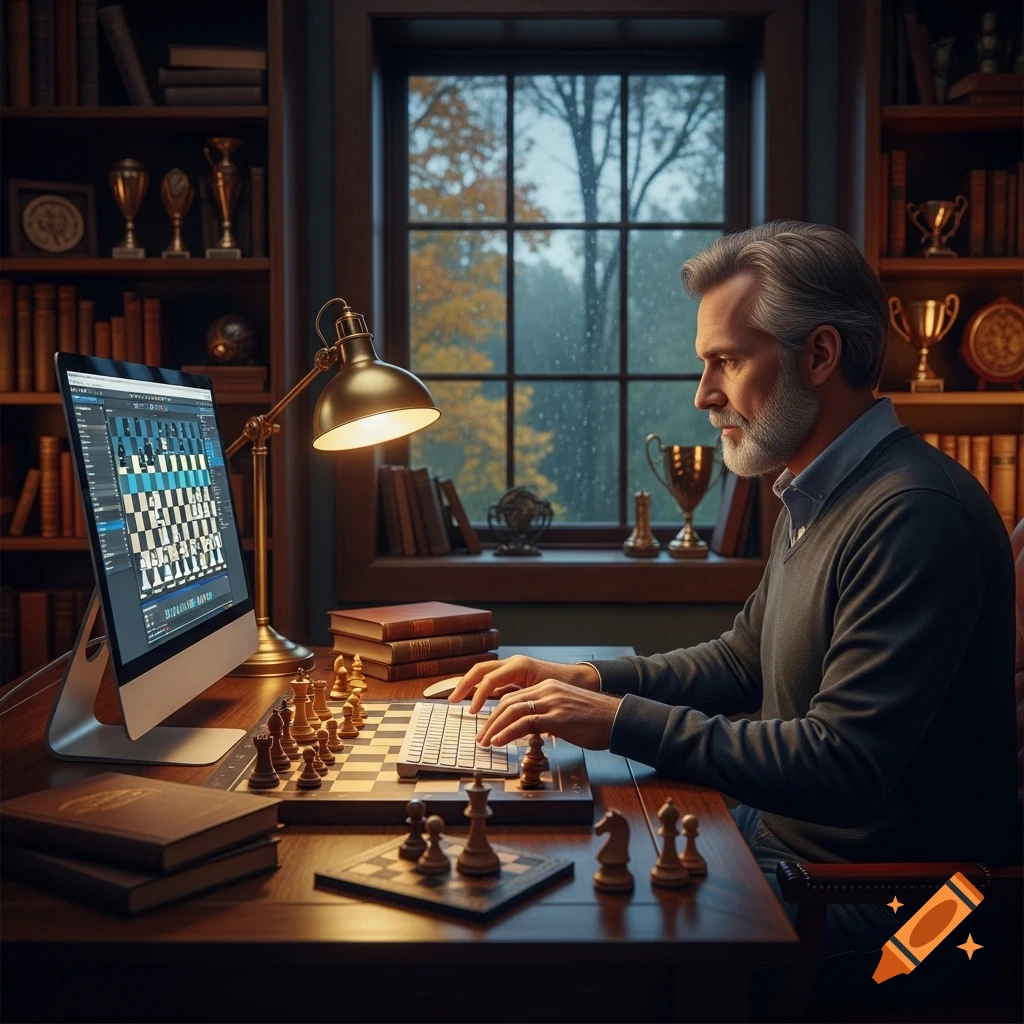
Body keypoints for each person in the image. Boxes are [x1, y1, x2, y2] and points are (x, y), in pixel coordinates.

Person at [450, 221, 1018, 1007]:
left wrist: (614, 718)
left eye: (726, 361)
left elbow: (840, 768)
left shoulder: (915, 514)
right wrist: (582, 678)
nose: (703, 394)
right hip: (796, 862)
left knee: (546, 959)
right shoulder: (821, 489)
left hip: (896, 920)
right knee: (540, 889)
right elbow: (742, 661)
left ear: (819, 356)